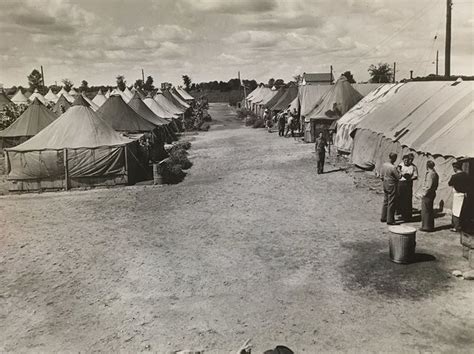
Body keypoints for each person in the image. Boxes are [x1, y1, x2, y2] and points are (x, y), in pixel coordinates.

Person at [448, 161, 470, 232]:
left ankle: (456, 227)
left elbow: (449, 183)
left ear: (455, 168)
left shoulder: (454, 176)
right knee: (463, 211)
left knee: (456, 211)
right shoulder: (466, 175)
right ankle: (463, 226)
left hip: (457, 195)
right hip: (464, 194)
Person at [417, 160, 439, 232]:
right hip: (431, 193)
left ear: (427, 166)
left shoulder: (430, 174)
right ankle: (429, 226)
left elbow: (429, 186)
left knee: (426, 211)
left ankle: (426, 227)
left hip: (428, 194)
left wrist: (423, 194)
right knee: (429, 210)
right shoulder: (435, 173)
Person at [381, 152, 401, 225]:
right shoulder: (393, 167)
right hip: (392, 184)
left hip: (385, 183)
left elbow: (381, 176)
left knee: (385, 200)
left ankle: (383, 217)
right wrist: (399, 171)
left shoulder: (384, 165)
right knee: (392, 202)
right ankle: (390, 219)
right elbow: (398, 177)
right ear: (394, 158)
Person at [397, 154, 418, 221]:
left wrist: (410, 178)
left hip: (408, 184)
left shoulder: (413, 167)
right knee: (400, 198)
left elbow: (415, 175)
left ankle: (407, 215)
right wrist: (401, 173)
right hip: (401, 183)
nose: (407, 161)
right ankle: (400, 212)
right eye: (405, 160)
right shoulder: (401, 165)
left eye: (409, 160)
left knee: (408, 199)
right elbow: (398, 171)